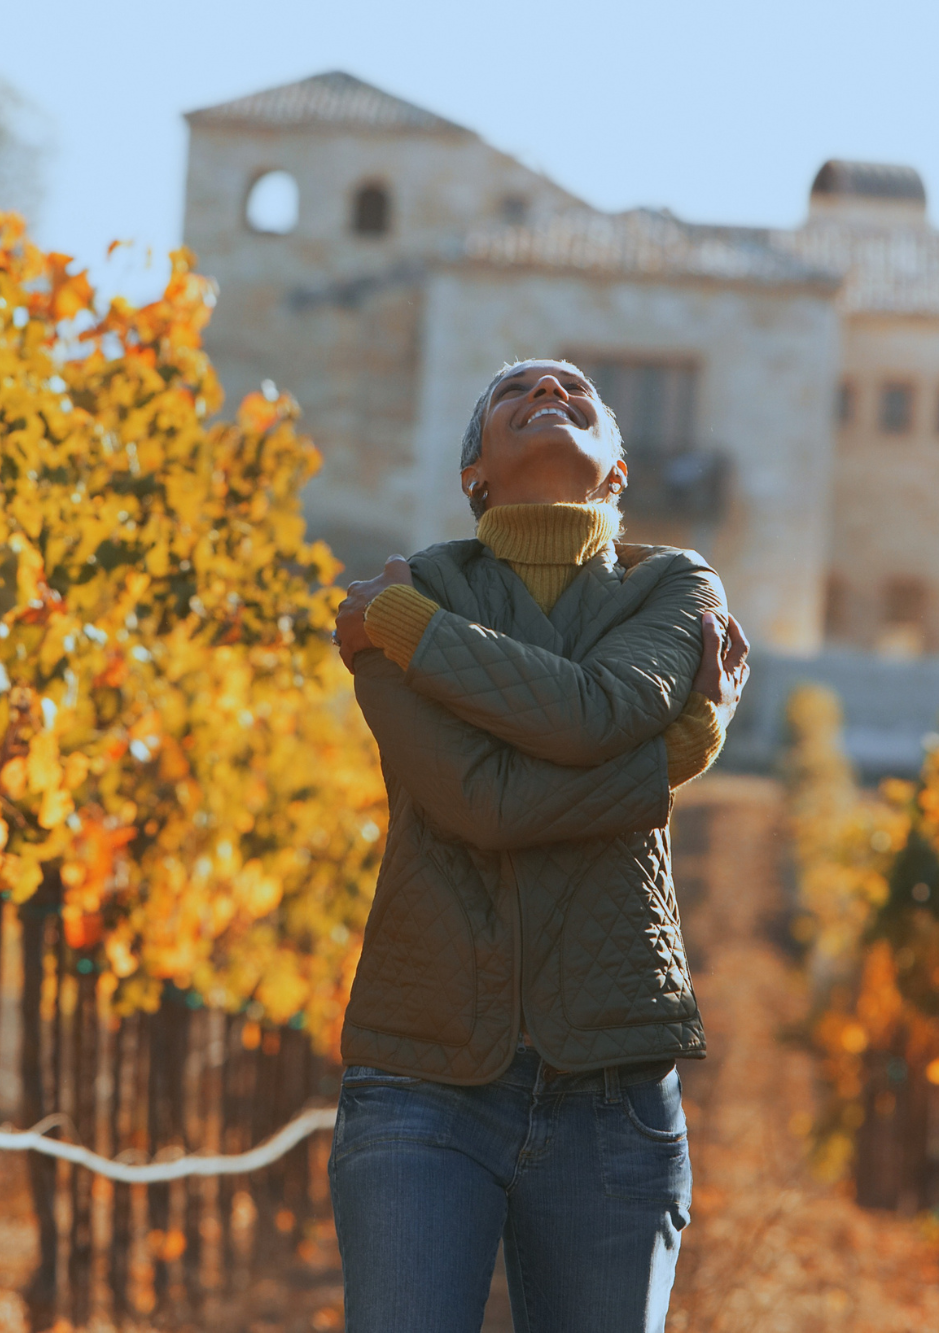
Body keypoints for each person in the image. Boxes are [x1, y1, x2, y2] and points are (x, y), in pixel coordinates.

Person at [329, 358, 751, 1332]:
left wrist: (415, 636)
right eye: (514, 394)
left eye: (574, 394)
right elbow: (484, 804)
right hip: (420, 1069)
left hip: (613, 1080)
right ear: (472, 470)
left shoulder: (671, 586)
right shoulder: (412, 586)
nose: (548, 394)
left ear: (613, 470)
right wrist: (681, 747)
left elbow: (596, 709)